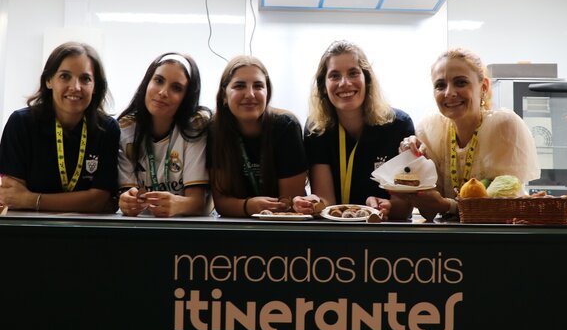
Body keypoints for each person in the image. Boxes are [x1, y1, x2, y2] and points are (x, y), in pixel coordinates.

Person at [398, 48, 540, 220]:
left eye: (460, 83)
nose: (449, 93)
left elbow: (500, 210)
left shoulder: (503, 126)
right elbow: (429, 210)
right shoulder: (430, 128)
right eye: (440, 85)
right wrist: (414, 161)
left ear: (484, 87)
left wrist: (447, 205)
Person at [298, 41, 415, 219]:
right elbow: (326, 202)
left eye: (353, 73)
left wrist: (388, 206)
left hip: (383, 230)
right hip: (336, 231)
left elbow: (404, 208)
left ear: (367, 80)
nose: (344, 83)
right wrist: (312, 203)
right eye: (334, 76)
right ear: (323, 86)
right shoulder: (316, 129)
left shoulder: (399, 125)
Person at [0, 42, 120, 213]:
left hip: (86, 228)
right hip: (29, 226)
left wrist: (32, 199)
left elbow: (99, 200)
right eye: (65, 76)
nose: (75, 87)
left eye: (85, 79)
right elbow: (12, 196)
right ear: (49, 80)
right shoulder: (21, 123)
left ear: (95, 86)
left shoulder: (107, 129)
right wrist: (84, 200)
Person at [208, 55, 308, 217]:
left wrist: (262, 210)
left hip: (282, 225)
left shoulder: (286, 127)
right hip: (237, 225)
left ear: (267, 93)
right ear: (224, 96)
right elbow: (221, 203)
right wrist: (248, 206)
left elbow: (289, 205)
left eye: (258, 86)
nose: (250, 94)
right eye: (239, 86)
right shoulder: (215, 130)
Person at [118, 53, 211, 217]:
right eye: (159, 80)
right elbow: (129, 195)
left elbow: (198, 203)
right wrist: (126, 202)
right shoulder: (127, 127)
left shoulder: (196, 125)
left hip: (187, 228)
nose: (163, 92)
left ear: (187, 97)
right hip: (141, 227)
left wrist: (178, 204)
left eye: (176, 88)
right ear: (147, 82)